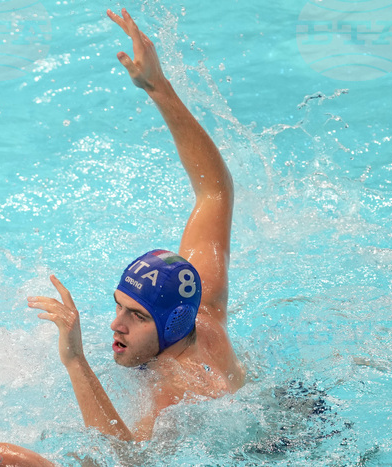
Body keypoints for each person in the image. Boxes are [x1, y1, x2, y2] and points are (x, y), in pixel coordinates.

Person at [27, 8, 246, 444]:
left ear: (171, 324)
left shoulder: (180, 392)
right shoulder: (200, 308)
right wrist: (156, 87)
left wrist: (76, 362)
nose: (115, 325)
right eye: (120, 305)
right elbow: (214, 190)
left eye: (137, 316)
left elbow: (131, 462)